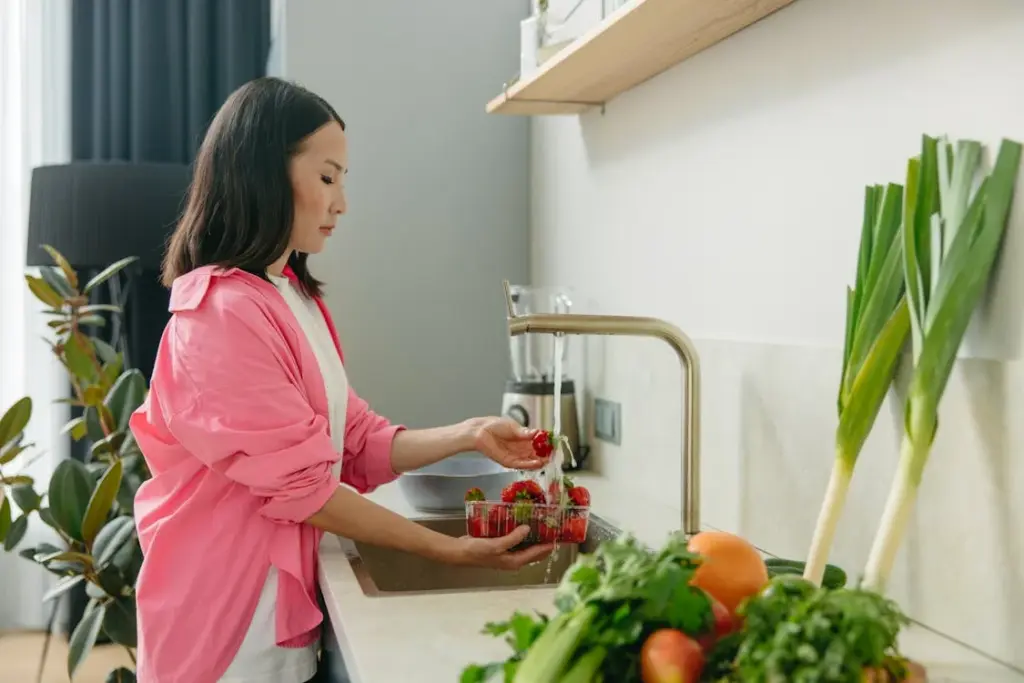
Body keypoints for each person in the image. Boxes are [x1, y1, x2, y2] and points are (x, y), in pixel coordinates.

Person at [128, 76, 554, 683]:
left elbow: (352, 439)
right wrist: (447, 549)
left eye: (343, 180)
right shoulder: (219, 315)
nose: (341, 202)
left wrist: (468, 433)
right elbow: (306, 487)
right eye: (327, 177)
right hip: (223, 620)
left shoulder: (290, 296)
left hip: (273, 611)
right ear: (263, 174)